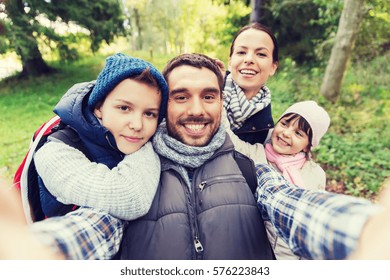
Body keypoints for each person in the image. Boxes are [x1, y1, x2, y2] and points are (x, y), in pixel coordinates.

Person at [2, 53, 388, 260]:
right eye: (181, 96)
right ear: (164, 105)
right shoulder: (135, 169)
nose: (197, 109)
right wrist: (44, 253)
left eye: (209, 95)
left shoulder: (248, 165)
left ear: (222, 101)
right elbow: (97, 225)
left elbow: (293, 206)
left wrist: (361, 233)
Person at [33, 53, 169, 220]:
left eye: (149, 114)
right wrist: (151, 144)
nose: (137, 125)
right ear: (98, 107)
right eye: (124, 108)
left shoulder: (125, 137)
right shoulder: (55, 153)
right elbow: (131, 198)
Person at [224, 100, 331, 259]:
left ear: (308, 146)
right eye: (284, 124)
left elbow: (314, 222)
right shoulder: (256, 154)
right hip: (256, 253)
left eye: (298, 133)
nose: (286, 133)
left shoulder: (315, 174)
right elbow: (228, 137)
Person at [222, 22, 278, 144]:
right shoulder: (204, 92)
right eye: (241, 52)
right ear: (230, 62)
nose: (249, 59)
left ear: (273, 67)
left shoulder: (268, 131)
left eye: (261, 54)